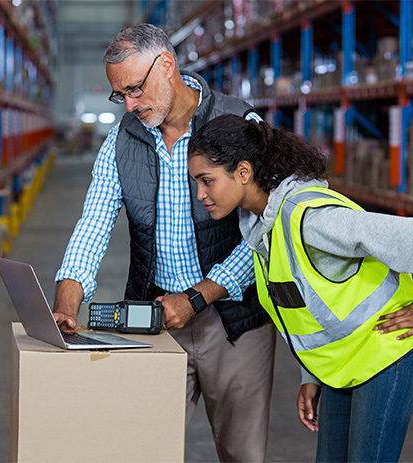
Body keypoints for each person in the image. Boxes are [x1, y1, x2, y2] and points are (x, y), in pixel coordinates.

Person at [53, 25, 276, 462]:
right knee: (143, 449)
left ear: (167, 66)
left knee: (241, 454)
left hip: (232, 322)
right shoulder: (123, 139)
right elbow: (93, 224)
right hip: (154, 321)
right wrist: (66, 301)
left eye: (136, 89)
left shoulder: (239, 124)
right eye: (121, 95)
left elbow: (265, 230)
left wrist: (198, 297)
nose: (130, 105)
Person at [187, 114, 413, 462]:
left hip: (389, 354)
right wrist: (311, 373)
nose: (201, 194)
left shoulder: (310, 218)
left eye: (207, 181)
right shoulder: (260, 228)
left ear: (243, 172)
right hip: (343, 365)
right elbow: (303, 308)